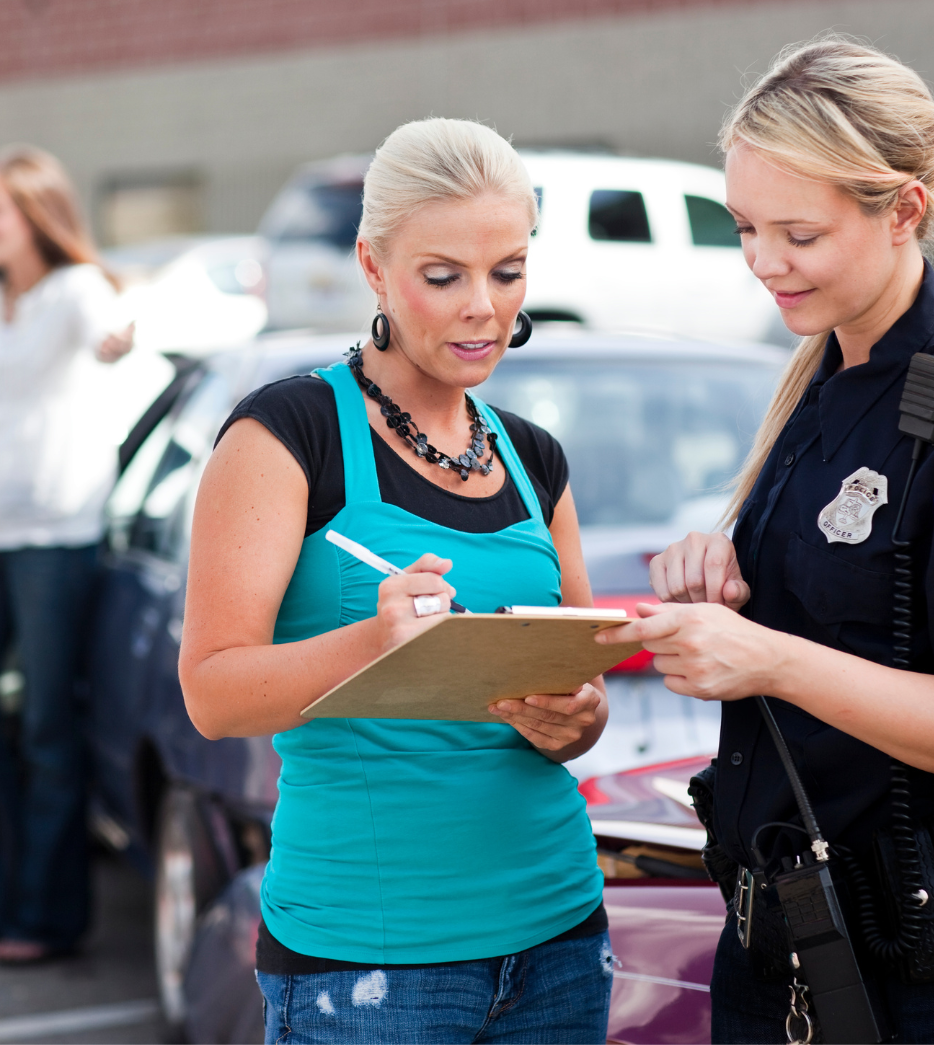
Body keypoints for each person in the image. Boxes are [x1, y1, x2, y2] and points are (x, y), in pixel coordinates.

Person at [599, 39, 934, 1044]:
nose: (763, 262)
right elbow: (853, 617)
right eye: (743, 229)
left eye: (798, 234)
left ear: (903, 210)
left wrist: (768, 659)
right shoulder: (822, 383)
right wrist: (723, 582)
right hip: (790, 944)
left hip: (932, 971)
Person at [179, 118, 614, 1045]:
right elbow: (213, 694)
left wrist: (577, 717)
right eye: (443, 275)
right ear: (375, 268)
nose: (482, 308)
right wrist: (372, 644)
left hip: (561, 939)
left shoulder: (535, 457)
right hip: (370, 964)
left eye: (508, 270)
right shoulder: (287, 433)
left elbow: (581, 692)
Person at [0, 146, 134, 962]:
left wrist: (121, 337)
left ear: (37, 217)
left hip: (53, 541)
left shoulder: (73, 292)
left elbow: (108, 330)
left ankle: (47, 917)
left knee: (48, 726)